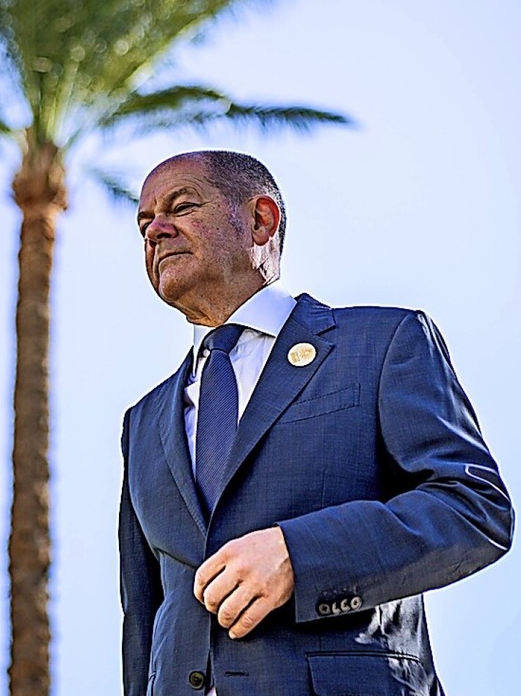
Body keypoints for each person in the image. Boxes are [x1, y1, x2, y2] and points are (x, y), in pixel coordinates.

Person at [118, 150, 513, 696]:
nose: (155, 231)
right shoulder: (143, 422)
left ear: (261, 220)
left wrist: (298, 555)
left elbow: (473, 510)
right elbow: (144, 617)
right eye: (143, 224)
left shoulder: (380, 345)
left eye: (180, 207)